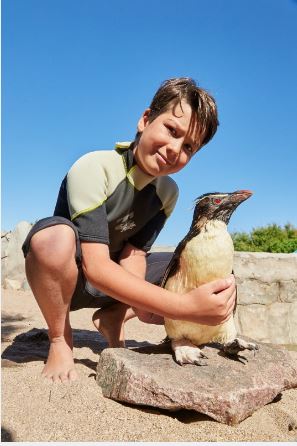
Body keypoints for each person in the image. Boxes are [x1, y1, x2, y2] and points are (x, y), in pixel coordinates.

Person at [22, 77, 236, 383]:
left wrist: (141, 302)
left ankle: (113, 318)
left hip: (113, 284)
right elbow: (95, 267)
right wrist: (181, 306)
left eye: (189, 146)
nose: (175, 149)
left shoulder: (167, 193)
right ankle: (59, 339)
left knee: (187, 266)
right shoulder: (94, 166)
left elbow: (134, 254)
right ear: (145, 119)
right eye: (171, 130)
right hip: (73, 279)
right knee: (51, 239)